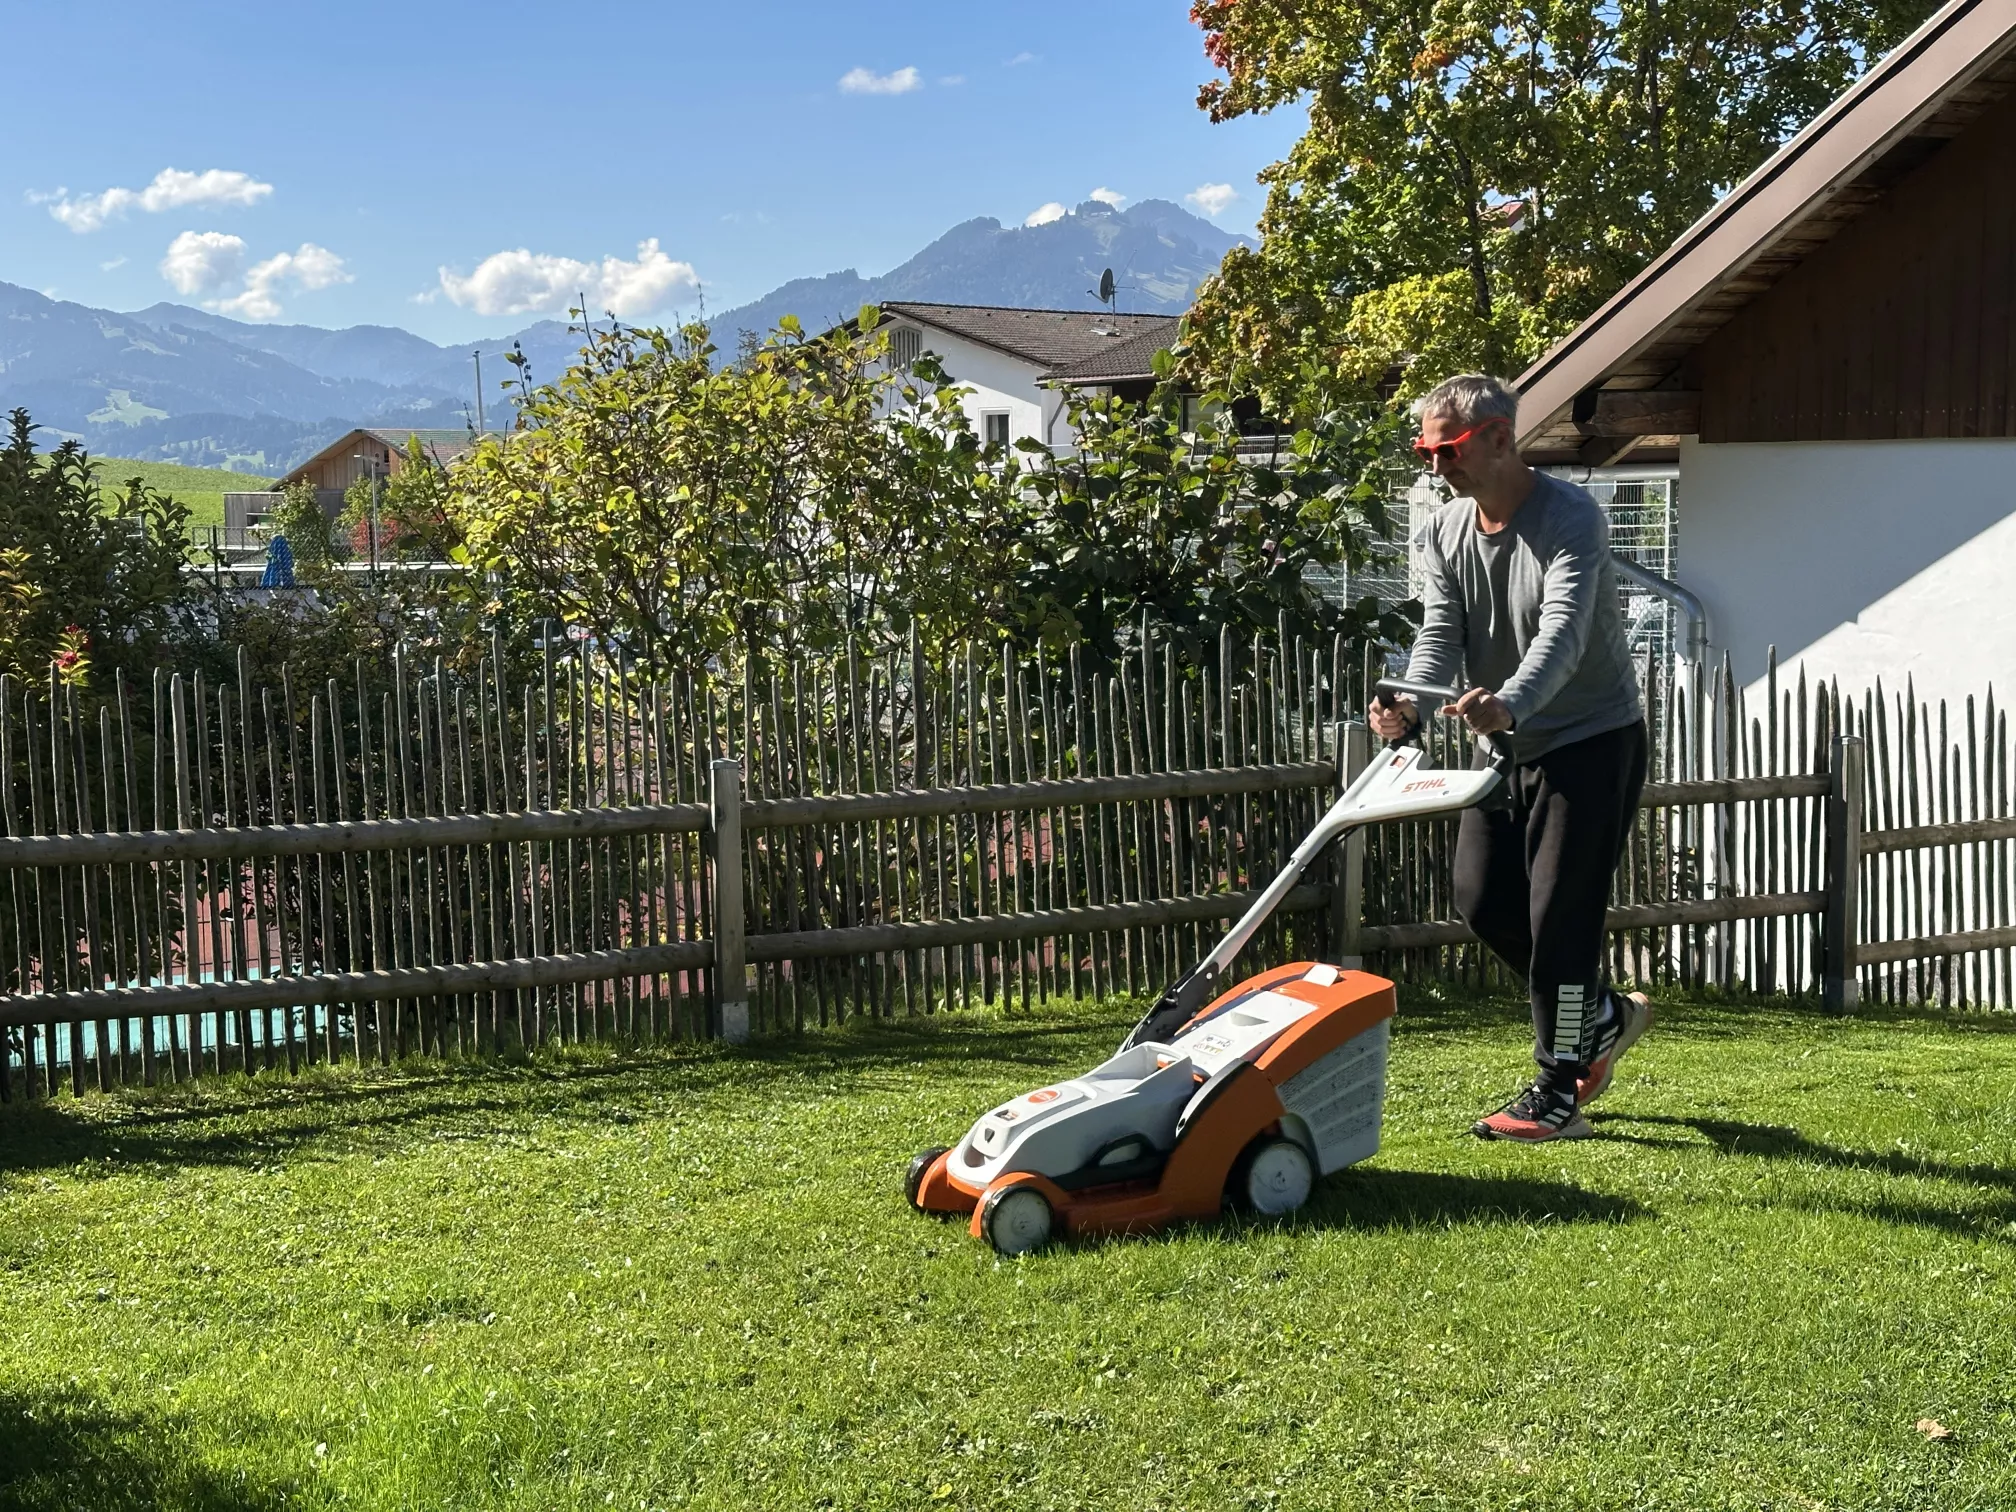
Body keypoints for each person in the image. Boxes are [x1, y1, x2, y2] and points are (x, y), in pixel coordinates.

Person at [1370, 374, 1652, 1142]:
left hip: (1590, 741)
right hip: (1504, 745)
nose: (1434, 467)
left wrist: (1513, 703)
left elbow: (1562, 633)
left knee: (1560, 918)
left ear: (1499, 437)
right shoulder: (1444, 527)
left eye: (1447, 450)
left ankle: (1558, 1088)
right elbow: (1440, 635)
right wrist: (1412, 705)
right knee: (1483, 900)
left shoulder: (1571, 518)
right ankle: (1598, 1013)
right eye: (1424, 451)